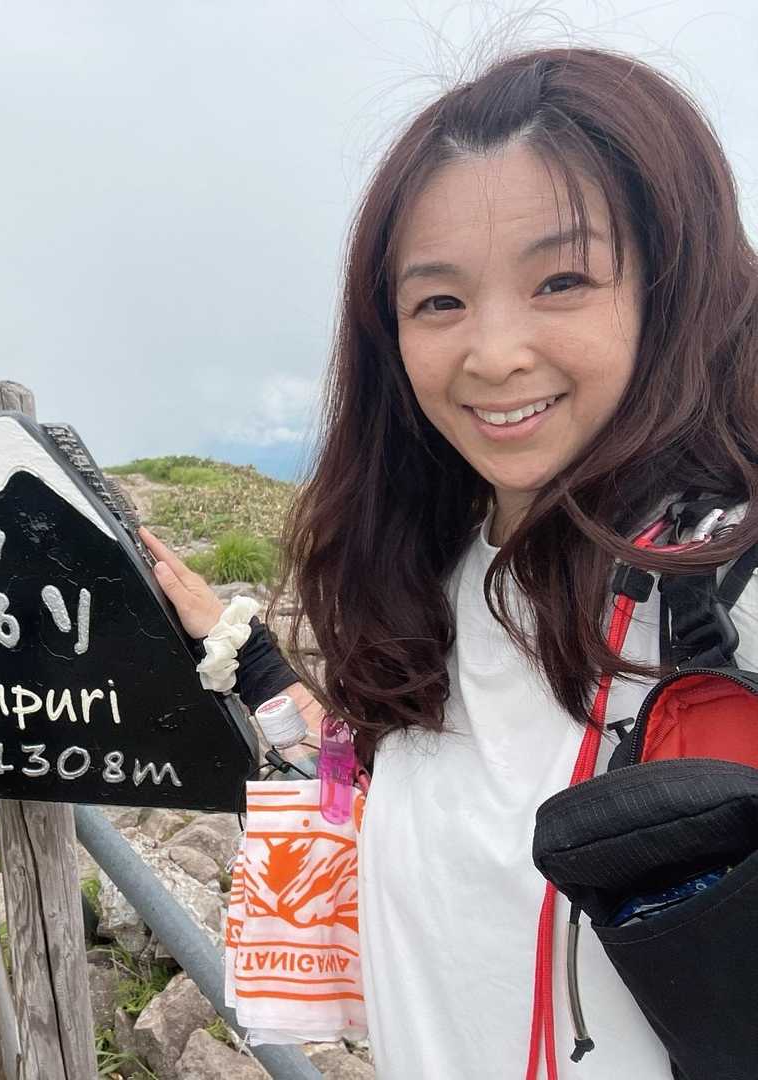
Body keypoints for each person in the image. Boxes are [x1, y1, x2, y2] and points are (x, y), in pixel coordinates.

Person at [144, 47, 758, 1078]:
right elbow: (399, 792)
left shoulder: (722, 583)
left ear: (674, 284)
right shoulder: (435, 575)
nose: (493, 353)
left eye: (560, 281)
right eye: (438, 301)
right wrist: (238, 652)